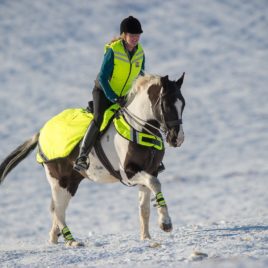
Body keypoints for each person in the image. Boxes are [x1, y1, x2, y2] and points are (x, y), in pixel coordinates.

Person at [74, 16, 145, 171]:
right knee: (99, 118)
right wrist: (113, 97)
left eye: (138, 35)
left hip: (125, 96)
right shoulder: (114, 50)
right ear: (124, 35)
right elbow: (103, 77)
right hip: (104, 92)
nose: (135, 38)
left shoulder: (140, 53)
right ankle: (82, 156)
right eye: (132, 35)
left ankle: (150, 158)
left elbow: (141, 77)